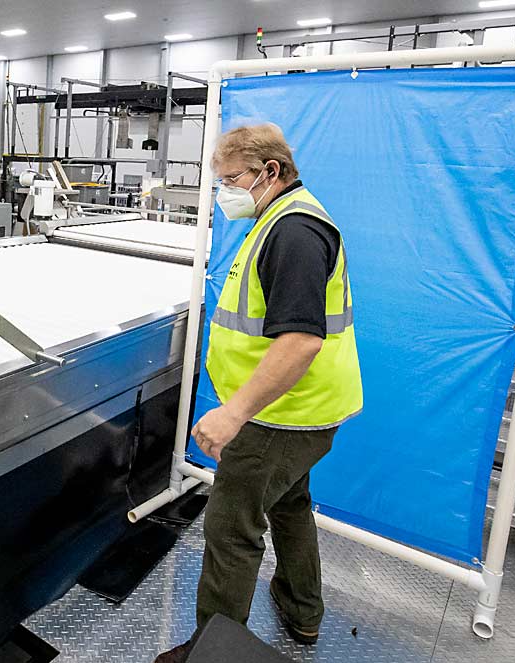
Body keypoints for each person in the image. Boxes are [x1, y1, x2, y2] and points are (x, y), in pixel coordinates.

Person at [154, 123, 363, 662]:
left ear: (270, 172)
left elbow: (299, 343)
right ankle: (301, 611)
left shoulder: (293, 232)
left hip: (278, 417)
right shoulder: (280, 218)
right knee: (291, 505)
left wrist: (234, 413)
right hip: (302, 410)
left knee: (230, 531)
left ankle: (212, 652)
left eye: (231, 180)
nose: (225, 193)